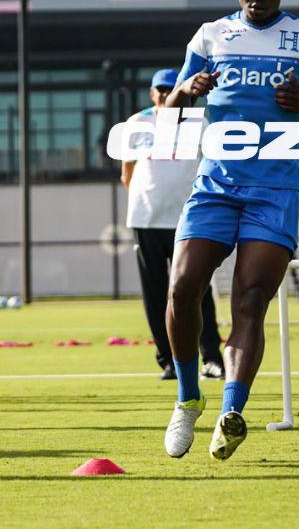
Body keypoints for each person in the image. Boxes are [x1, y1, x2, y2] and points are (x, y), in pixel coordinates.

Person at [161, 0, 299, 460]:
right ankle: (187, 400)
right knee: (181, 288)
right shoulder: (210, 35)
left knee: (250, 300)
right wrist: (185, 90)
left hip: (275, 188)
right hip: (216, 182)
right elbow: (170, 108)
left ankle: (230, 410)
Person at [122, 68, 224, 381]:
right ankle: (168, 360)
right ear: (152, 93)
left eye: (172, 89)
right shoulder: (138, 123)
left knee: (197, 289)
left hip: (188, 219)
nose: (166, 94)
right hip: (147, 219)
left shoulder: (200, 123)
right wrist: (145, 203)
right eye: (161, 90)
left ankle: (211, 357)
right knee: (155, 293)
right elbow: (127, 172)